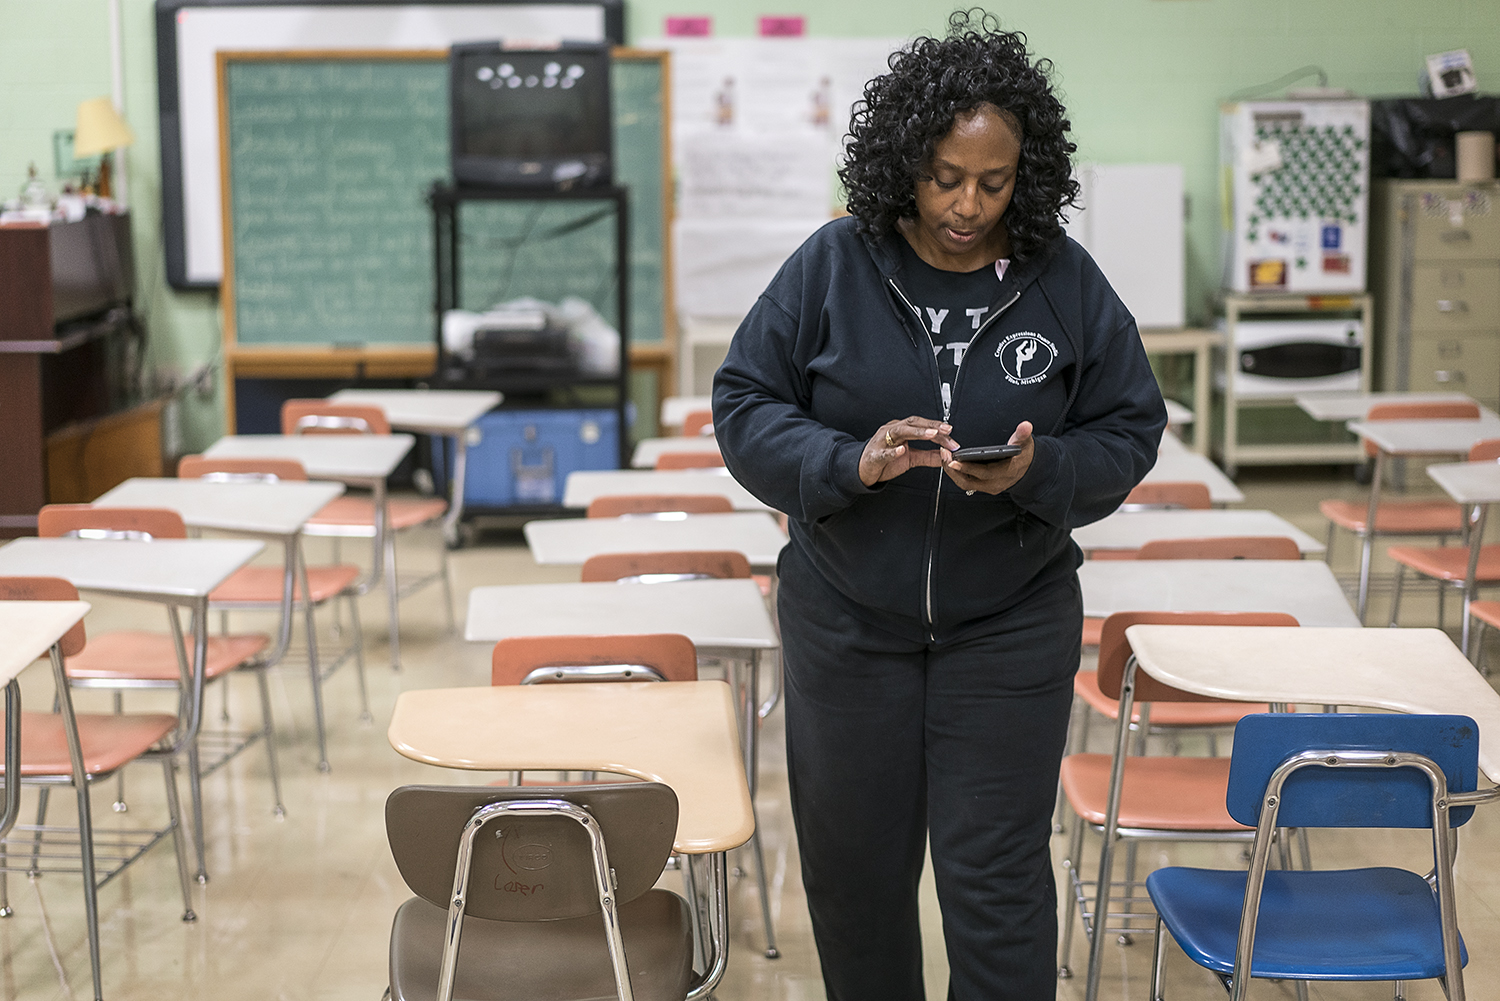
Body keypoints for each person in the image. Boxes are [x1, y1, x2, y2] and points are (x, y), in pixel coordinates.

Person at [712, 10, 1167, 1001]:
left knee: (996, 880)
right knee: (858, 878)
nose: (967, 204)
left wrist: (1038, 476)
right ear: (901, 163)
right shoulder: (832, 267)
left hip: (1009, 624)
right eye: (945, 177)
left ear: (1026, 174)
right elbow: (744, 405)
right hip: (845, 624)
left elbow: (1130, 427)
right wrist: (845, 461)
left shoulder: (1064, 280)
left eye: (994, 182)